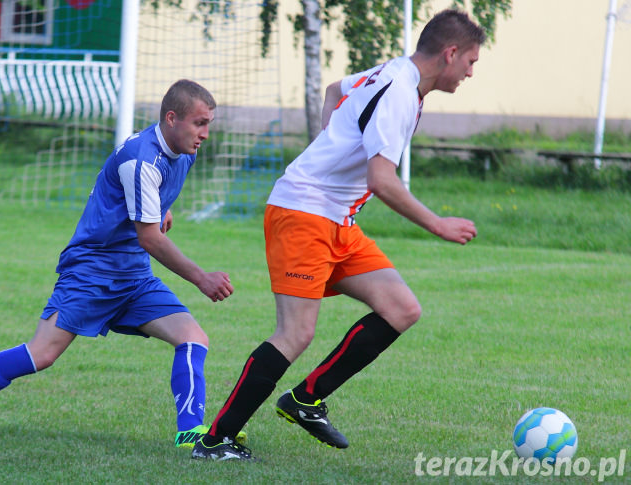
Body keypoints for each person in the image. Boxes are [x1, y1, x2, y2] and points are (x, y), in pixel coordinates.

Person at [192, 9, 485, 461]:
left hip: (336, 219)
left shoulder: (395, 73)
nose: (470, 71)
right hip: (303, 214)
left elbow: (334, 90)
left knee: (401, 308)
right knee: (295, 333)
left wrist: (329, 146)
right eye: (470, 62)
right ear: (450, 53)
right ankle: (216, 441)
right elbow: (383, 180)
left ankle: (306, 399)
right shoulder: (400, 92)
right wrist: (437, 224)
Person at [0, 79, 235, 450]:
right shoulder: (140, 159)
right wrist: (201, 278)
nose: (206, 134)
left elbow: (150, 202)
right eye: (199, 123)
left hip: (133, 275)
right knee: (42, 354)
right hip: (92, 271)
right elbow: (149, 238)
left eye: (208, 123)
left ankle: (191, 433)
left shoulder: (184, 151)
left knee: (194, 338)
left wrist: (161, 208)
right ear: (171, 118)